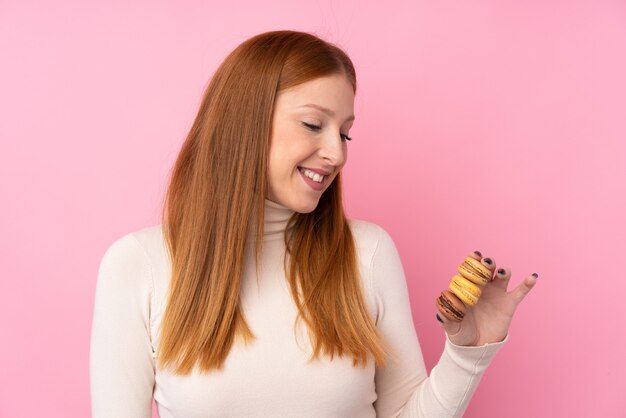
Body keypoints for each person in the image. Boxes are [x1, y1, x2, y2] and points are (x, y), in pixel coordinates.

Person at [89, 30, 536, 418]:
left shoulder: (368, 253)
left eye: (344, 132)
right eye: (312, 124)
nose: (337, 154)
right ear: (244, 123)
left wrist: (468, 355)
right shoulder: (139, 266)